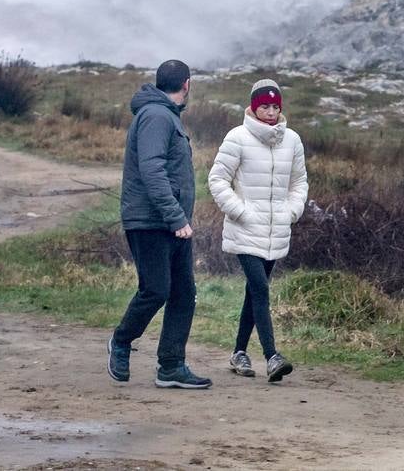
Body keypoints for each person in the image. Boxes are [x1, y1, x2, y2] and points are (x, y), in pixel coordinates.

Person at [107, 59, 211, 389]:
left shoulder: (165, 116)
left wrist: (178, 219)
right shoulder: (156, 116)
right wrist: (176, 216)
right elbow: (152, 171)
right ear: (187, 84)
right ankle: (121, 342)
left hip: (171, 222)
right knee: (156, 289)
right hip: (152, 221)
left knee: (184, 293)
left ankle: (171, 365)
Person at [208, 78, 308, 383]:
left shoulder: (292, 140)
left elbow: (299, 182)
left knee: (255, 292)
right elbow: (217, 179)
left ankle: (239, 351)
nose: (270, 112)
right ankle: (272, 356)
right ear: (253, 107)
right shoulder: (237, 137)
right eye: (264, 106)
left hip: (275, 230)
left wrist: (291, 211)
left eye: (275, 106)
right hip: (245, 230)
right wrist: (241, 212)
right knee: (261, 289)